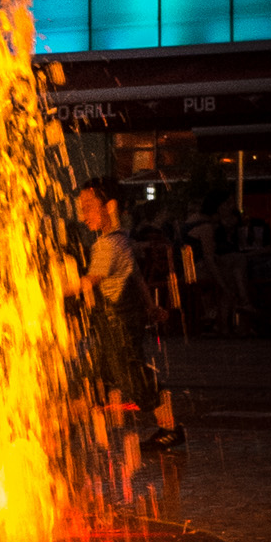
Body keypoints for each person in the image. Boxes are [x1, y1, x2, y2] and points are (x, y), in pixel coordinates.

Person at [76, 179, 181, 447]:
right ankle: (71, 425)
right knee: (98, 374)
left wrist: (53, 287)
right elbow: (135, 277)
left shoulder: (107, 245)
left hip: (117, 323)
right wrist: (149, 305)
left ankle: (170, 427)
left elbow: (91, 280)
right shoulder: (122, 240)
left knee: (131, 376)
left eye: (88, 207)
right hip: (117, 322)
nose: (82, 215)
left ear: (110, 207)